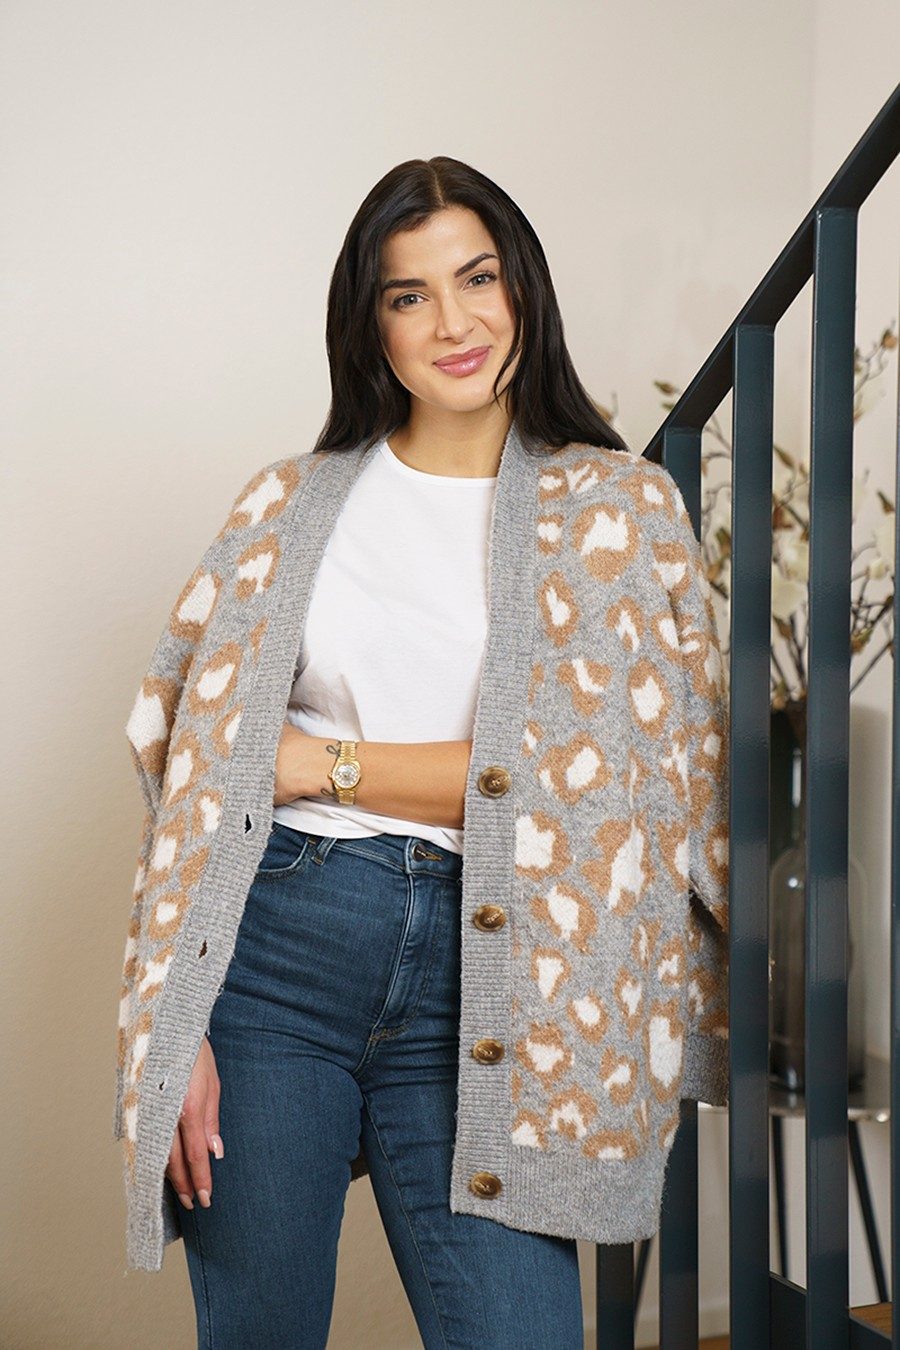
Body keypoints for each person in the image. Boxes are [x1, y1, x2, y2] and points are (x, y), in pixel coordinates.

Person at [116, 155, 730, 1347]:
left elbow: (615, 800)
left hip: (497, 982)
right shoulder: (287, 506)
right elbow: (191, 774)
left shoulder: (624, 515)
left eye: (476, 278)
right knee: (260, 1332)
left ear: (524, 291)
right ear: (372, 327)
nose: (452, 323)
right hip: (276, 963)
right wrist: (177, 1024)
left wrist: (317, 765)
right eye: (408, 295)